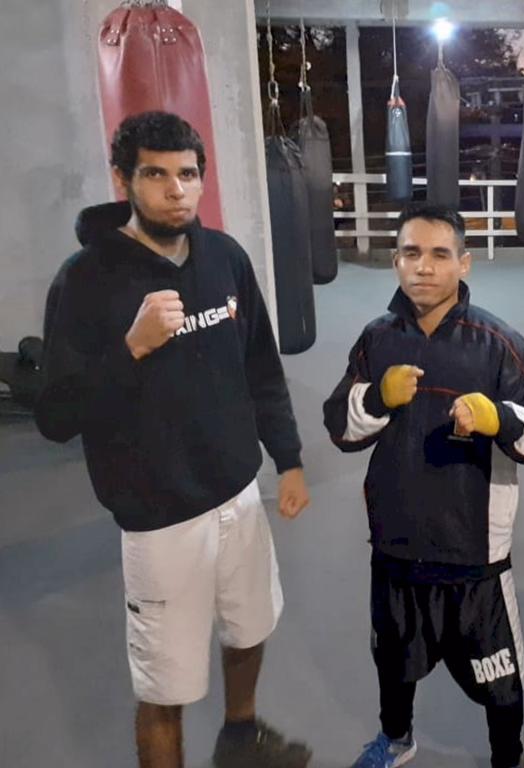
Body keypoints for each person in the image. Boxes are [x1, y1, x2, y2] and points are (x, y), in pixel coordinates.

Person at [35, 111, 312, 768]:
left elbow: (261, 368)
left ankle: (240, 734)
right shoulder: (85, 281)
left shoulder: (225, 258)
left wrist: (289, 460)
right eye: (156, 175)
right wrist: (131, 348)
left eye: (187, 174)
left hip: (239, 494)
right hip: (159, 516)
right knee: (165, 687)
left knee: (249, 628)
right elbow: (56, 416)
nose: (175, 190)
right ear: (122, 179)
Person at [323, 204, 524, 768]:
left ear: (464, 262)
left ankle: (506, 757)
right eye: (411, 253)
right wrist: (377, 397)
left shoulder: (497, 342)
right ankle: (396, 738)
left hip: (473, 554)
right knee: (393, 660)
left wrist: (498, 419)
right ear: (395, 261)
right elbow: (339, 426)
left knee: (499, 680)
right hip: (396, 545)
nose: (424, 267)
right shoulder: (377, 338)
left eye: (439, 254)